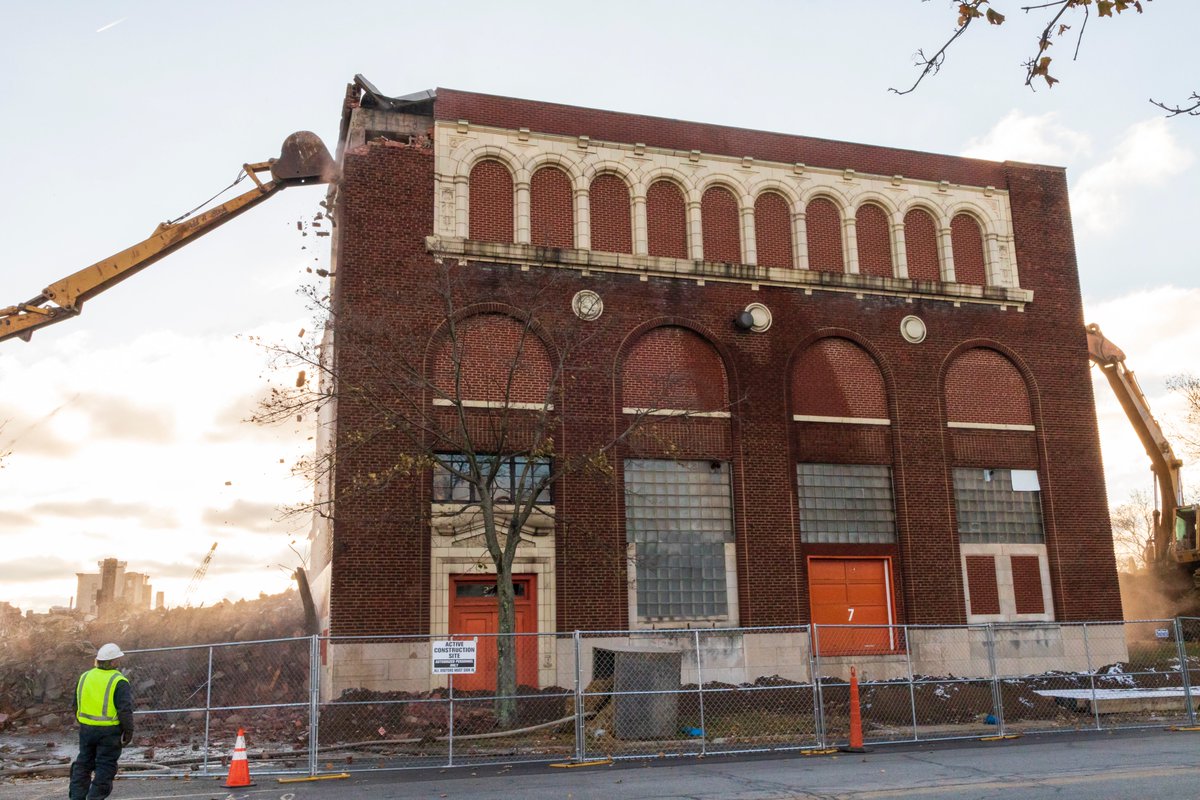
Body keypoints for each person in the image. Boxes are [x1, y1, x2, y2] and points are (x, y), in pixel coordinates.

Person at [69, 643, 133, 800]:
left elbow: (75, 704)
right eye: (117, 659)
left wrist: (83, 721)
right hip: (109, 732)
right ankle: (94, 798)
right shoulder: (119, 681)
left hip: (86, 729)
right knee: (105, 766)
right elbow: (124, 710)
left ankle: (77, 797)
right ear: (113, 662)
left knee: (83, 764)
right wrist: (128, 731)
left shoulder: (85, 677)